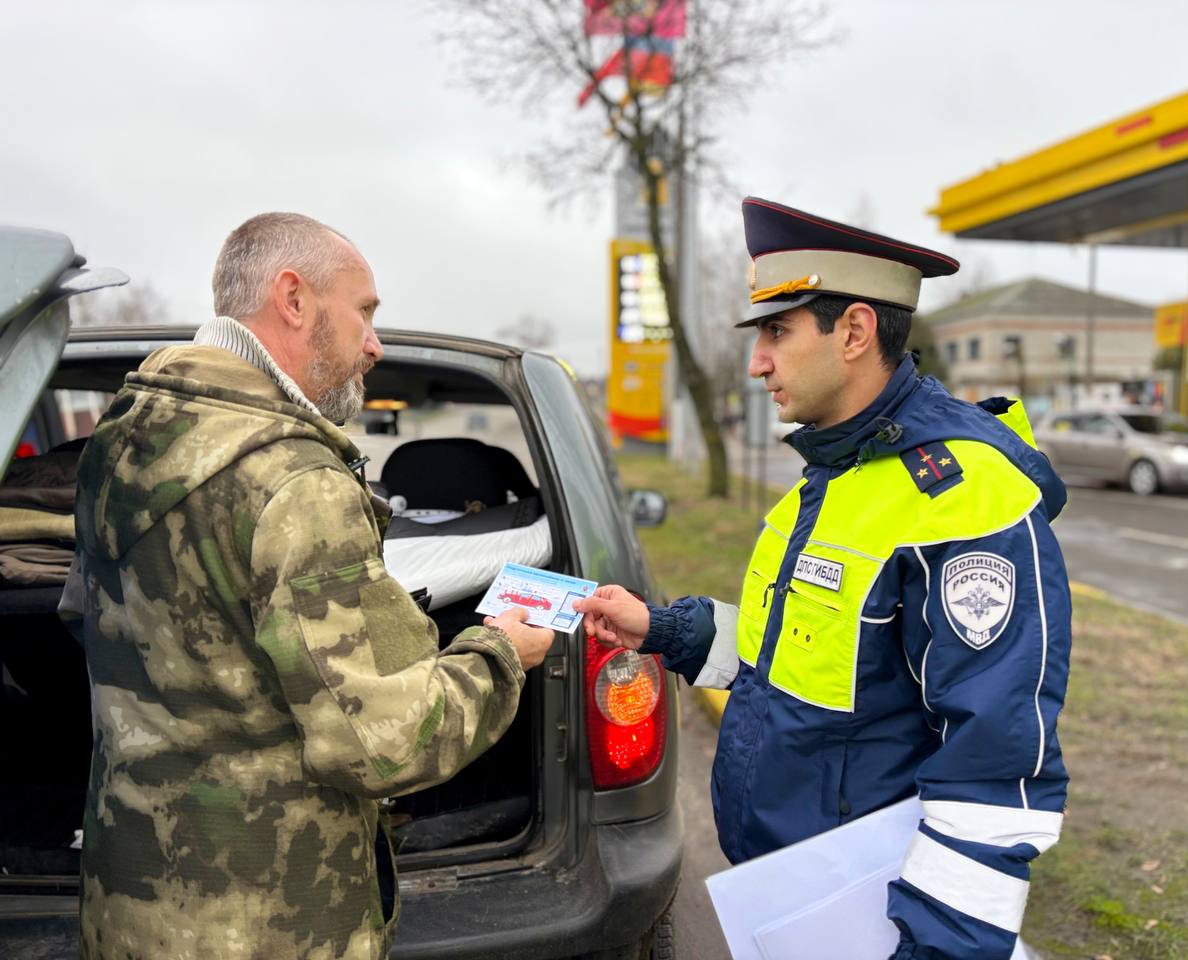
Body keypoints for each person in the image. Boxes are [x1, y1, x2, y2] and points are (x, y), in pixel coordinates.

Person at [577, 197, 1072, 960]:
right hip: (793, 898)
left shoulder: (963, 497)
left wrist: (937, 950)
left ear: (853, 331)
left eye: (777, 331)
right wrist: (663, 629)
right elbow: (795, 648)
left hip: (876, 922)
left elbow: (996, 765)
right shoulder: (836, 472)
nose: (757, 361)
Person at [60, 213, 554, 959]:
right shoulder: (297, 484)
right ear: (294, 298)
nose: (375, 344)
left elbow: (82, 617)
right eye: (366, 312)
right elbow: (387, 743)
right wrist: (501, 651)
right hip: (269, 922)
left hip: (127, 904)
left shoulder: (124, 436)